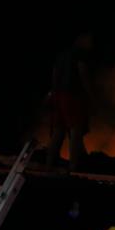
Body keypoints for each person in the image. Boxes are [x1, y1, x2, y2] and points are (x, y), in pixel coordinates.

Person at [45, 33, 94, 172]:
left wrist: (53, 94)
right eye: (88, 38)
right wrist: (90, 95)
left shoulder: (61, 55)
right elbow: (83, 73)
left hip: (58, 95)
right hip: (73, 95)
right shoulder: (79, 54)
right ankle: (73, 166)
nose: (90, 42)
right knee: (75, 130)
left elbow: (54, 74)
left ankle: (49, 164)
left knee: (59, 130)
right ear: (79, 39)